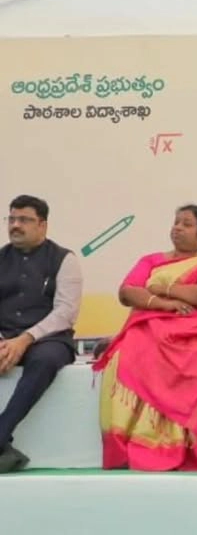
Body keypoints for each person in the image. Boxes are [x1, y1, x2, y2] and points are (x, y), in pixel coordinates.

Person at [93, 205, 197, 471]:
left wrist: (167, 288)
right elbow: (128, 292)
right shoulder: (151, 260)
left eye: (187, 224)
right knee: (127, 353)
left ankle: (178, 445)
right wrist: (162, 304)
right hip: (152, 324)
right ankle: (132, 442)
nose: (177, 228)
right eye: (176, 222)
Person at [0, 195, 82, 473]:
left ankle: (1, 433)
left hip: (49, 339)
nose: (15, 225)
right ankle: (5, 450)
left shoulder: (64, 259)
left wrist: (25, 339)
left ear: (43, 225)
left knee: (45, 360)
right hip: (4, 337)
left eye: (24, 220)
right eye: (12, 219)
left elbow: (65, 312)